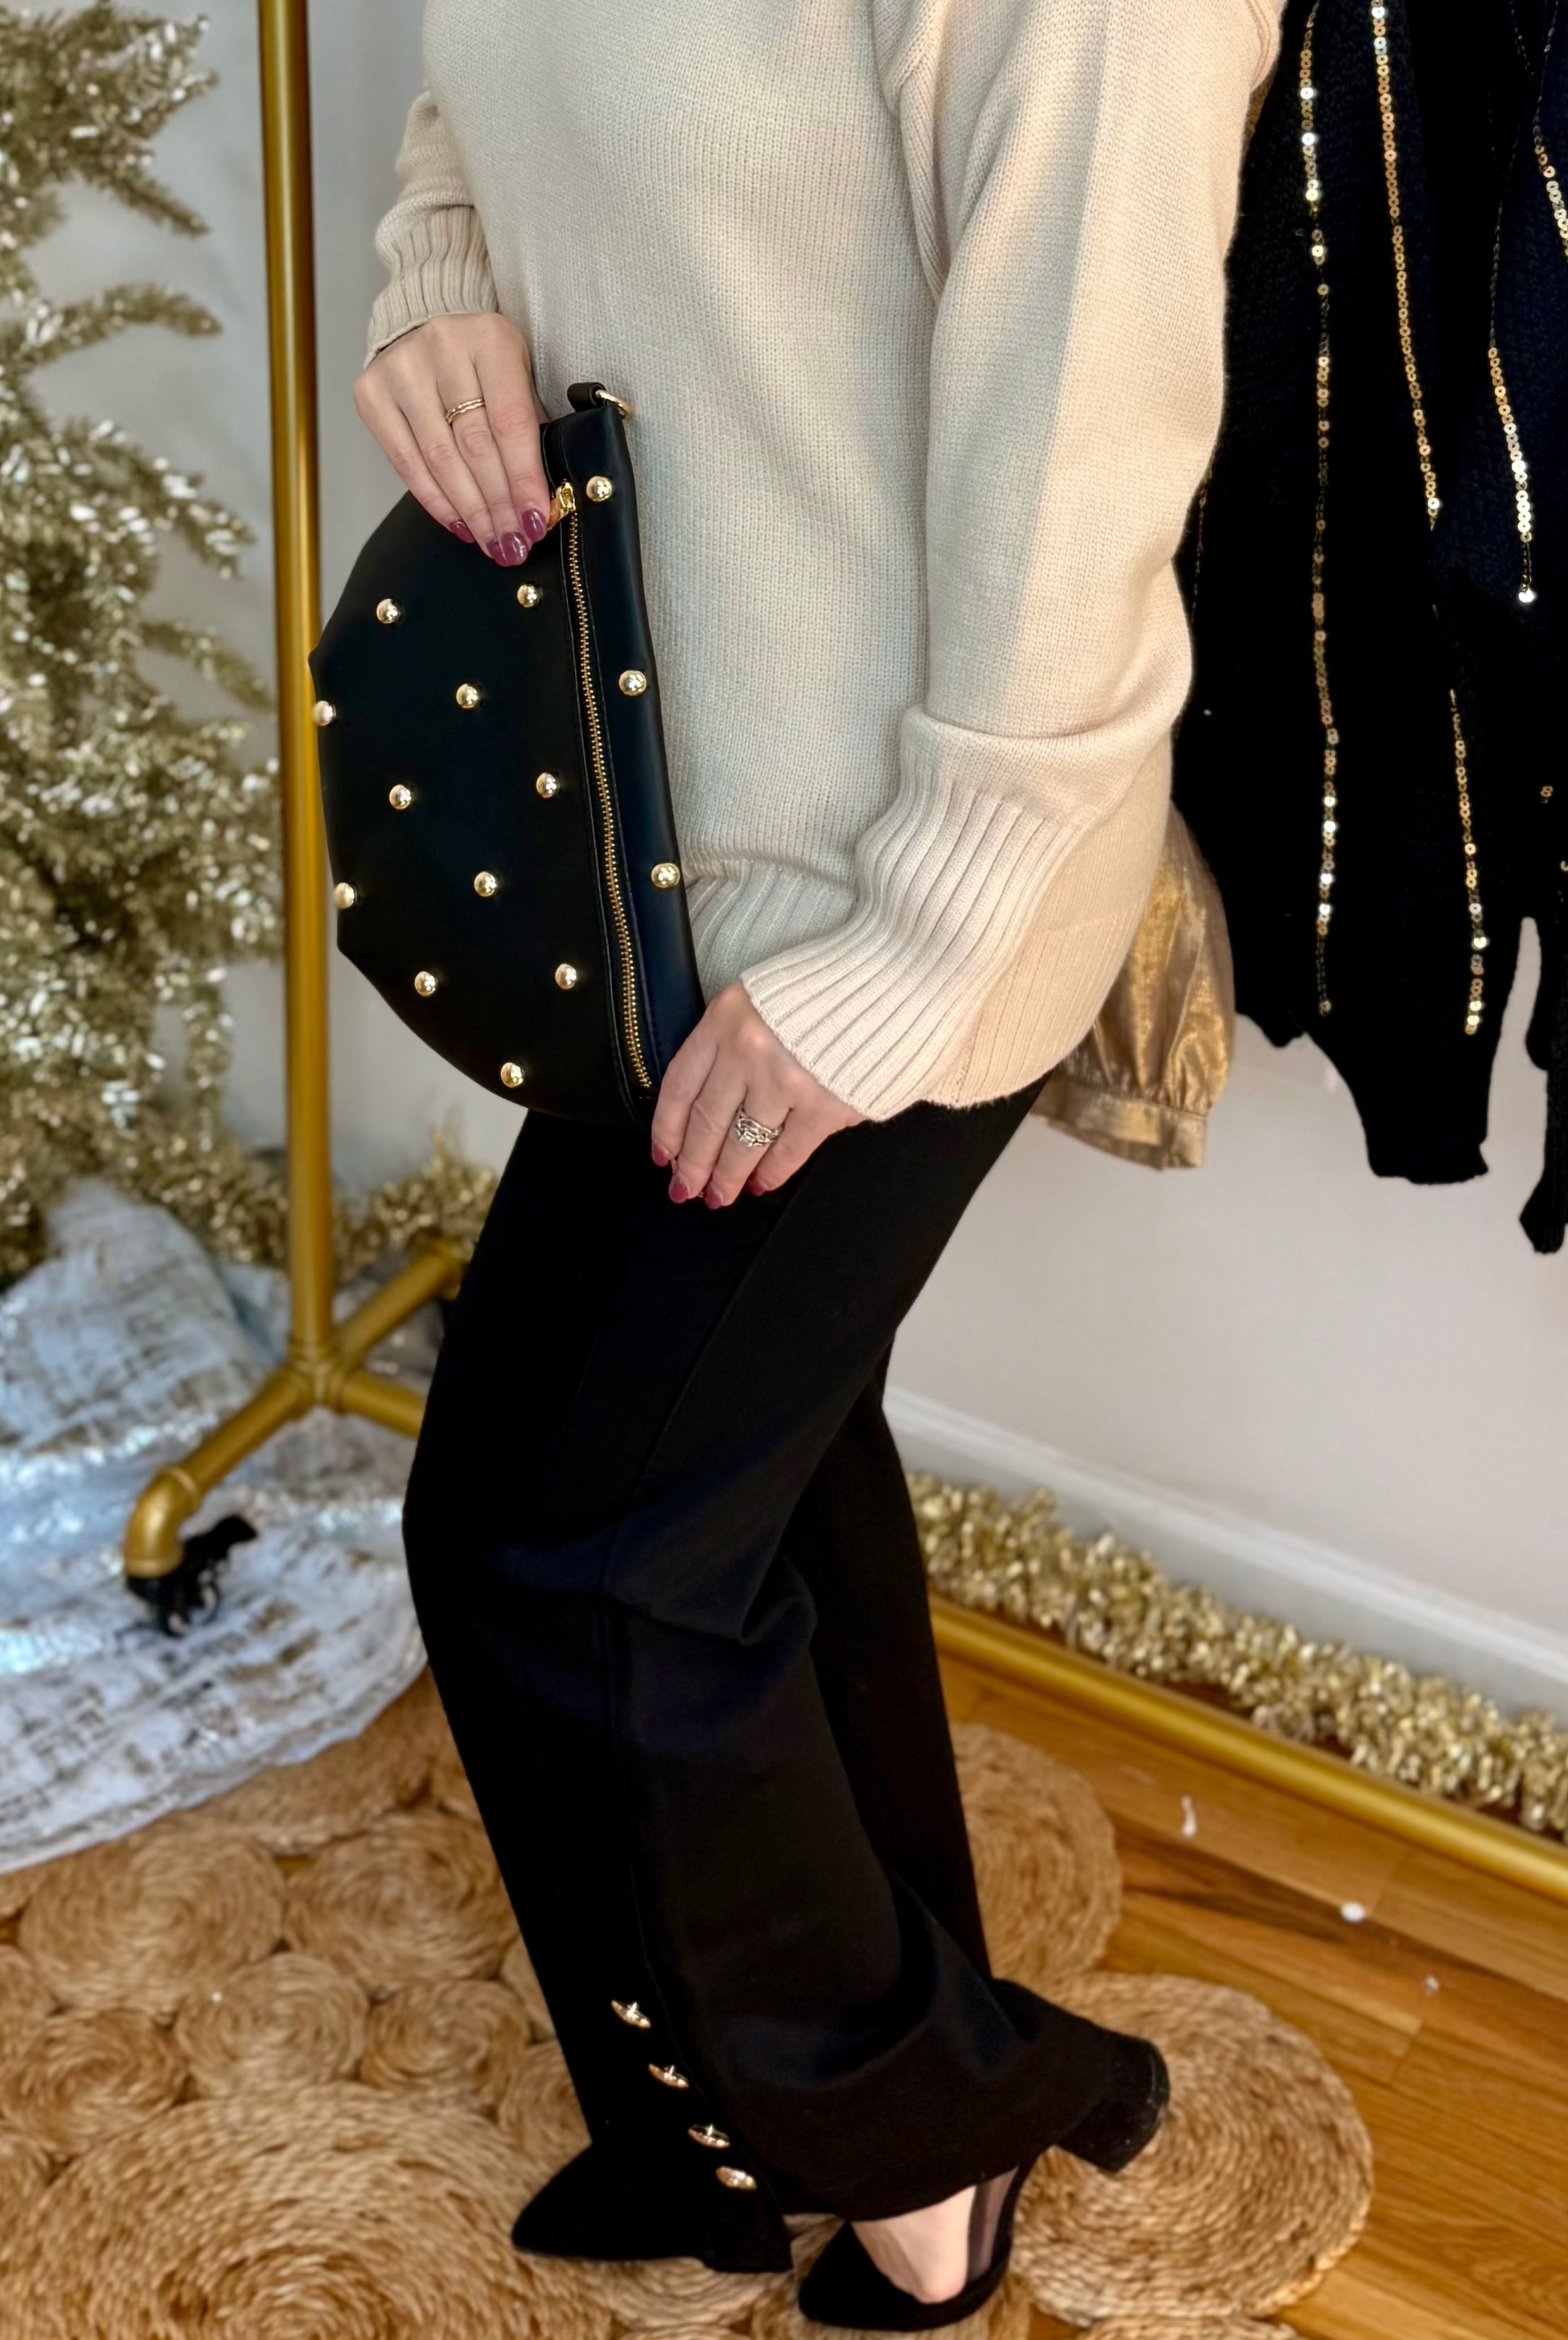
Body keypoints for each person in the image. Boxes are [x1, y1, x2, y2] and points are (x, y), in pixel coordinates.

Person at [356, 0, 1279, 2324]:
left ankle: (930, 2120)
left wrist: (916, 946)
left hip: (874, 895)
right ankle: (736, 2123)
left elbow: (1084, 451)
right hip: (632, 812)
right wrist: (438, 272)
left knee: (571, 1556)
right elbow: (487, 83)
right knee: (733, 1493)